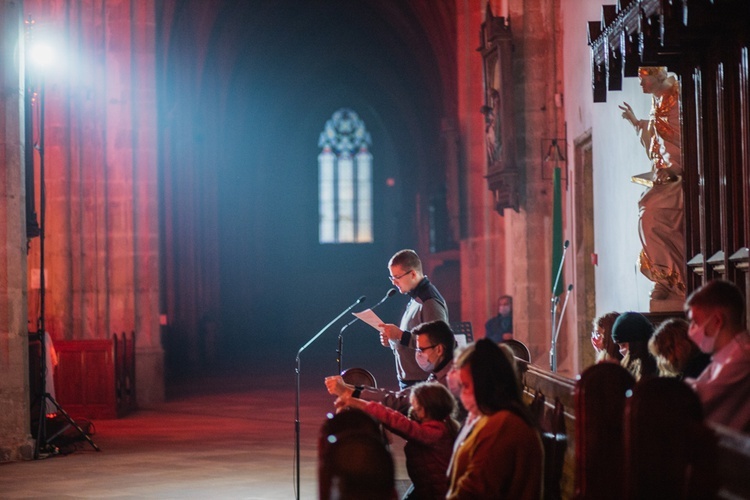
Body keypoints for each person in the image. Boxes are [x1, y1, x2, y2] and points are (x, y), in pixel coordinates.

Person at [619, 66, 685, 305]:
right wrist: (636, 122)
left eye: (642, 78)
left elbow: (690, 139)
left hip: (683, 180)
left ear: (656, 75)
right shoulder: (658, 102)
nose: (639, 84)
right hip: (665, 178)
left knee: (650, 216)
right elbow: (656, 141)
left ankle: (674, 278)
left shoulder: (678, 98)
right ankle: (667, 276)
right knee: (645, 214)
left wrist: (673, 169)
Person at [446, 339, 543, 499]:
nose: (463, 394)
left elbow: (474, 492)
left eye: (466, 386)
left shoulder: (503, 426)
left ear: (485, 384)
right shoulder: (484, 416)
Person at [335, 382, 459, 500]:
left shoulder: (435, 433)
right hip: (427, 490)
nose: (412, 410)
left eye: (415, 406)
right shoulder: (432, 428)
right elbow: (396, 421)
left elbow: (400, 424)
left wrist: (358, 403)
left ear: (425, 410)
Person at [325, 320, 455, 414]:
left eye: (421, 349)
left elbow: (399, 402)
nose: (418, 354)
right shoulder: (438, 373)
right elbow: (400, 396)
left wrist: (351, 393)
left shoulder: (449, 380)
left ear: (439, 350)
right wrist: (352, 388)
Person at [685, 280, 750, 432]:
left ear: (717, 321)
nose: (691, 330)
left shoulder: (742, 356)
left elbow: (696, 399)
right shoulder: (723, 356)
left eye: (695, 321)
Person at [379, 249, 449, 389]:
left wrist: (399, 335)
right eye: (392, 278)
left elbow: (436, 345)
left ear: (413, 274)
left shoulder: (429, 302)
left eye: (397, 277)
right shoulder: (415, 297)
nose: (394, 282)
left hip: (422, 383)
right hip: (410, 381)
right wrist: (392, 340)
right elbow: (410, 336)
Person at [611, 311, 658, 381]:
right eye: (619, 346)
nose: (621, 350)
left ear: (637, 344)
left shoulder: (656, 368)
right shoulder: (628, 366)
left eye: (623, 345)